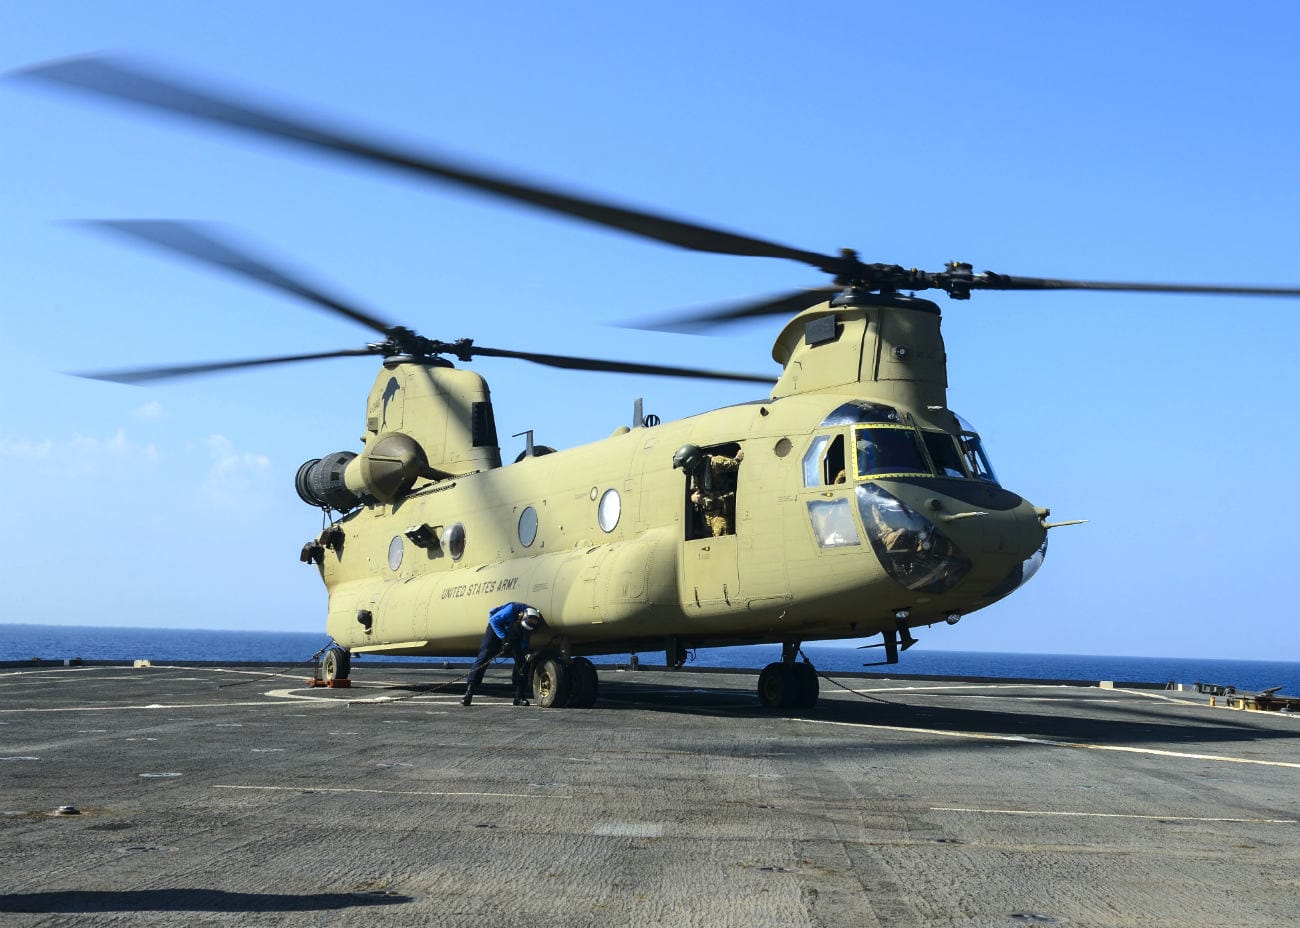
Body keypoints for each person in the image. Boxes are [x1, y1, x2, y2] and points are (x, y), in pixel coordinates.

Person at [462, 602, 543, 706]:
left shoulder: (533, 621)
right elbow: (493, 620)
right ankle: (469, 693)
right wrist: (504, 639)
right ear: (521, 616)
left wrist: (525, 651)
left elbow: (525, 637)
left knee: (523, 662)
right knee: (484, 657)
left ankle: (519, 696)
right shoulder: (511, 610)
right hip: (496, 628)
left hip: (515, 631)